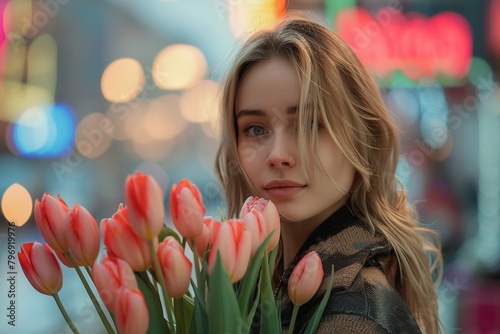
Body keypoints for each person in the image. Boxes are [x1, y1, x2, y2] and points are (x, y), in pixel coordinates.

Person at [215, 13, 443, 334]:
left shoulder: (351, 317)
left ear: (362, 137)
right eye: (255, 128)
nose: (278, 155)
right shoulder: (256, 288)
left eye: (309, 124)